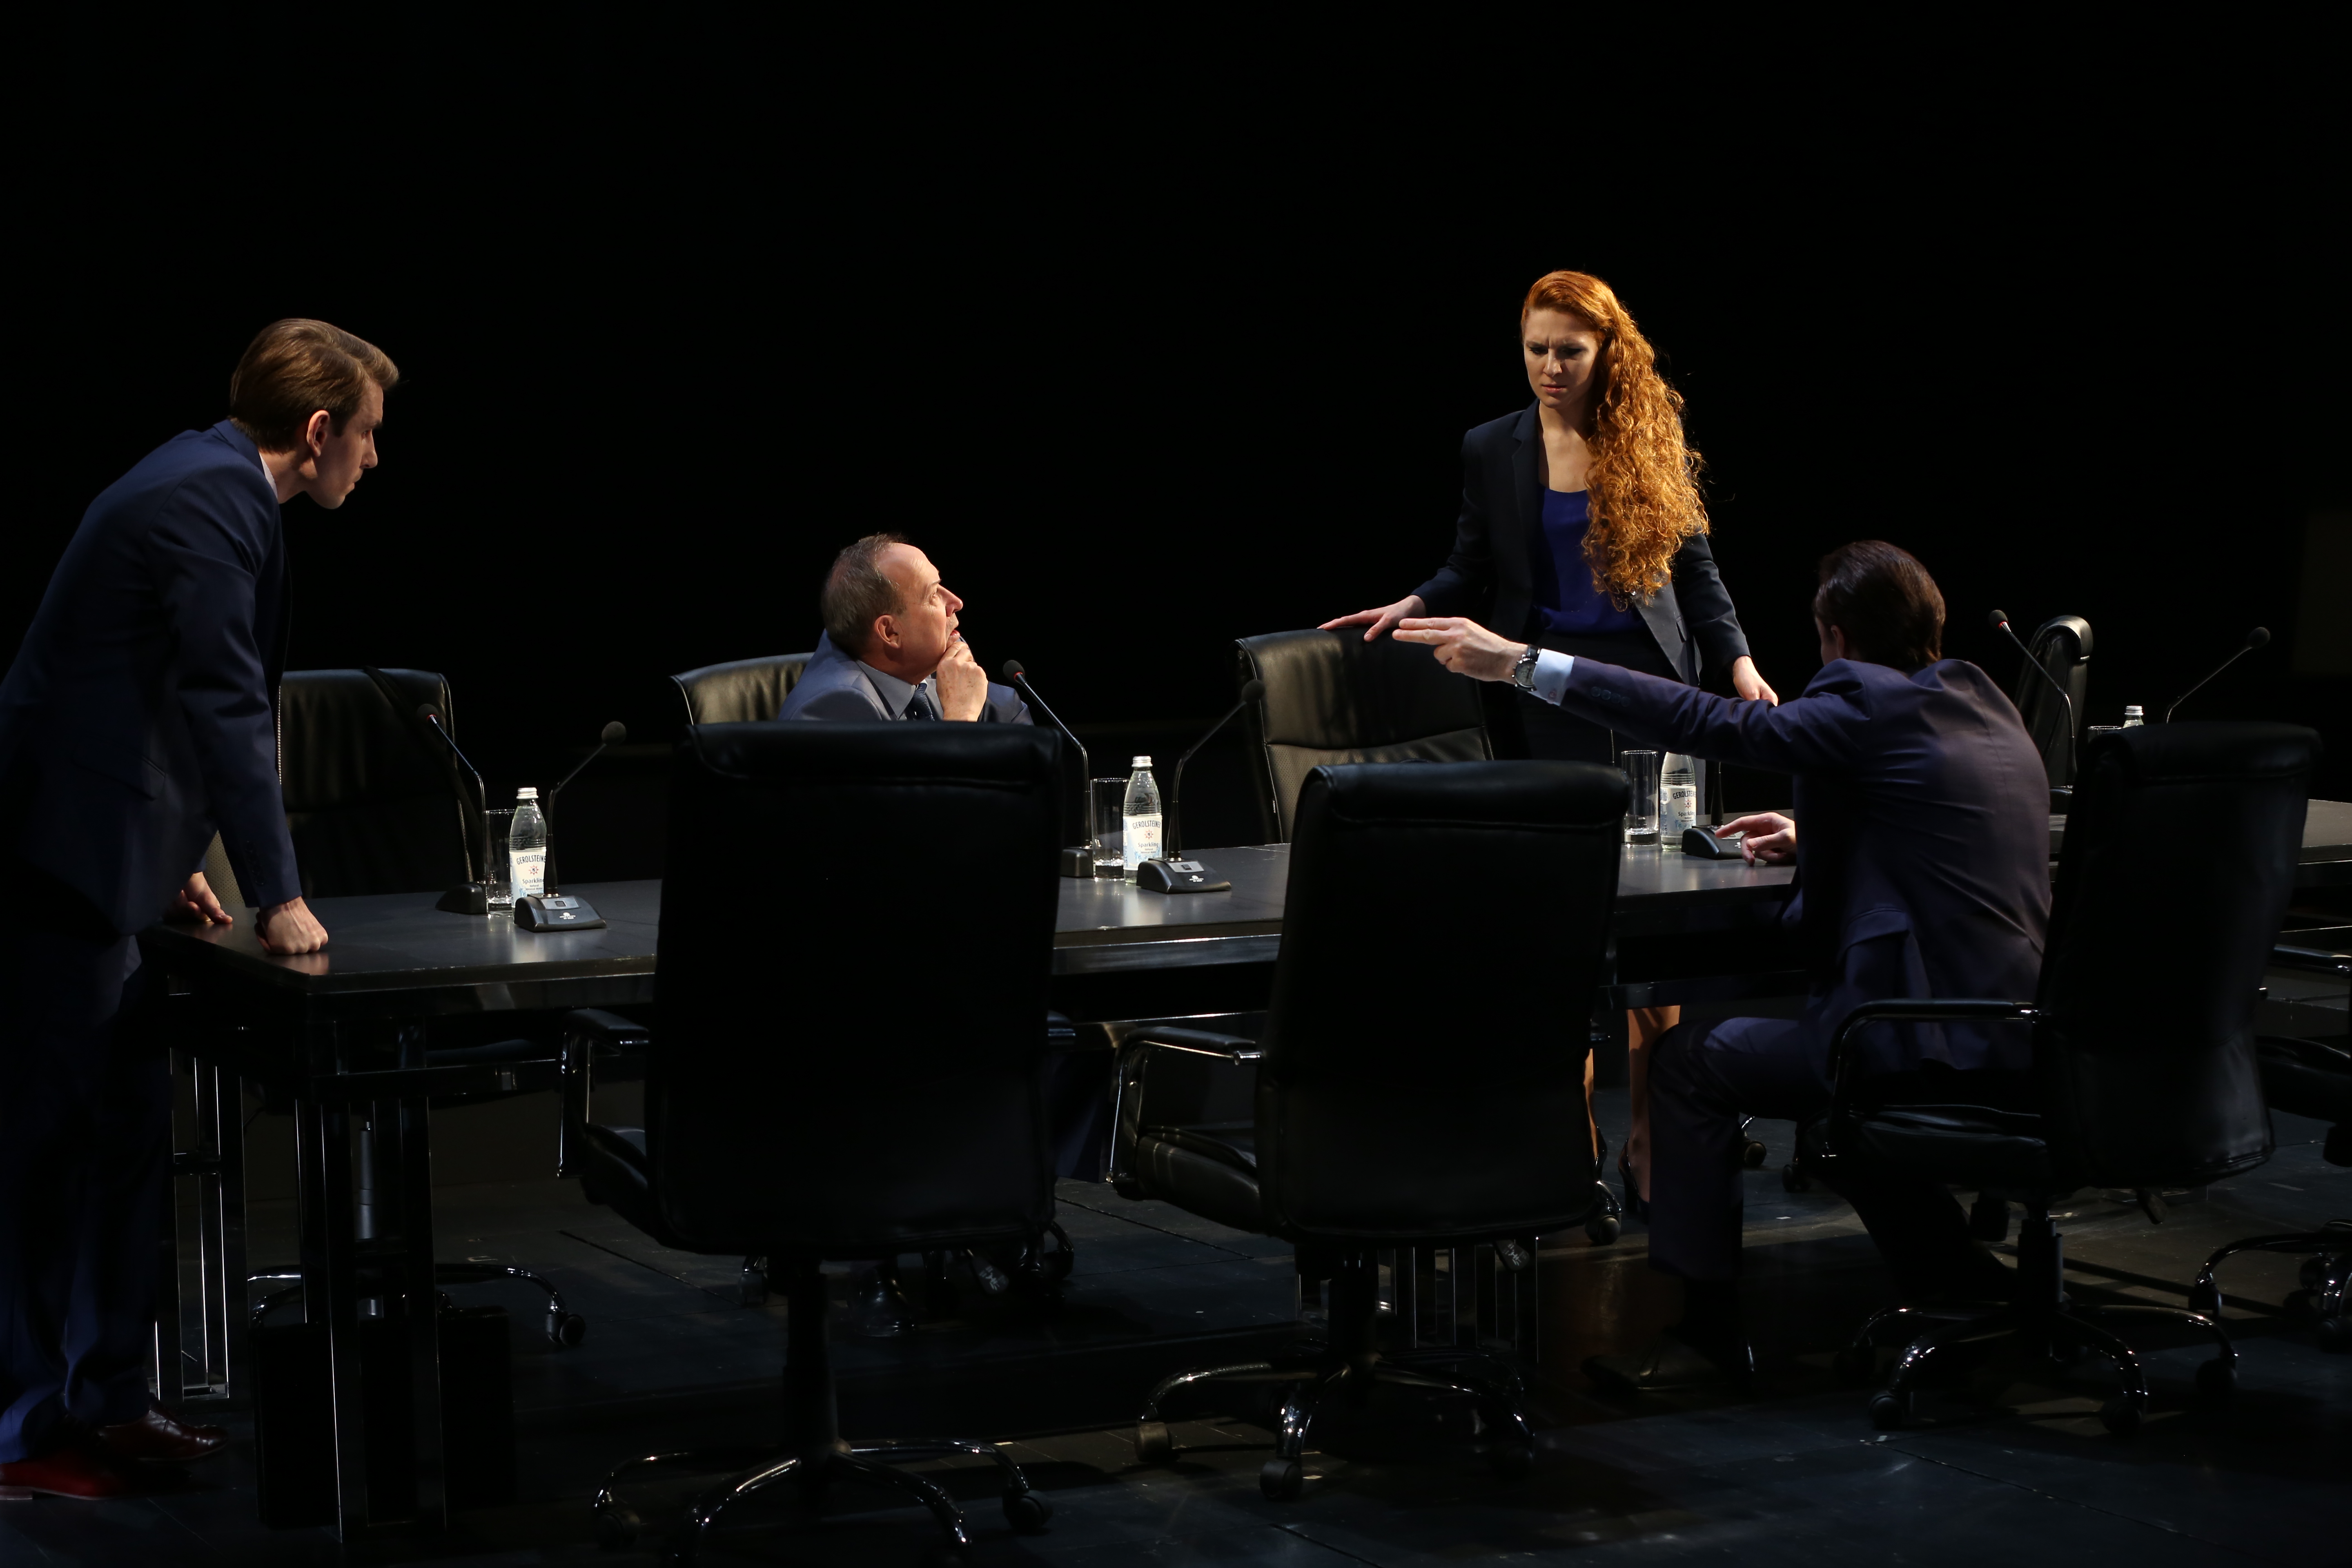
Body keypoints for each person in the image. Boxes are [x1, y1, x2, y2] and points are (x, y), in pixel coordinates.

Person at [1395, 541, 2050, 1389]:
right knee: (1834, 1126)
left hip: (1918, 1039)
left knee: (1688, 1063)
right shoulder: (1980, 698)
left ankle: (1703, 1337)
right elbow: (1939, 817)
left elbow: (1710, 724)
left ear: (1834, 637)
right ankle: (1961, 1285)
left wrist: (1523, 663)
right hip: (2025, 1032)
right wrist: (1817, 834)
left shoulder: (1858, 700)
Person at [0, 319, 384, 1497]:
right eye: (367, 434)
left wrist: (166, 852)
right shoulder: (207, 500)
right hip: (55, 863)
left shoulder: (213, 483)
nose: (373, 458)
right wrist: (280, 891)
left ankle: (110, 1399)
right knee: (47, 1155)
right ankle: (25, 1434)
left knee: (124, 1139)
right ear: (317, 431)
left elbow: (142, 692)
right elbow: (223, 705)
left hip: (108, 852)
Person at [1322, 269, 1781, 1211]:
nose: (1549, 366)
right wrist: (1414, 602)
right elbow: (1468, 563)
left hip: (1650, 694)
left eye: (1568, 350)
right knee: (1559, 922)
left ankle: (1652, 1134)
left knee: (1656, 925)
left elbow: (1697, 573)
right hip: (1540, 692)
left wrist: (1737, 664)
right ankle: (1567, 1142)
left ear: (1606, 351)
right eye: (1535, 349)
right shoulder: (1491, 445)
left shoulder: (1643, 434)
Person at [780, 534, 1029, 724]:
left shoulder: (927, 667)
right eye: (933, 595)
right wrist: (961, 719)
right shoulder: (836, 710)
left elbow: (1008, 713)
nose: (956, 602)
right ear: (890, 633)